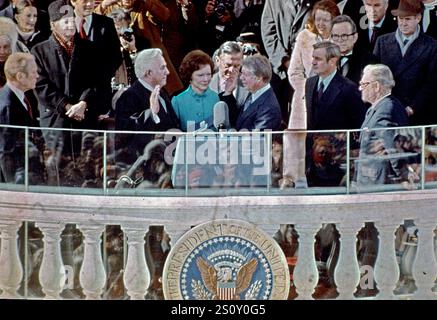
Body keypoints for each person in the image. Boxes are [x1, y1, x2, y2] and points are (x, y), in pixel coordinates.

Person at [95, 0, 183, 95]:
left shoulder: (143, 5)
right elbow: (91, 23)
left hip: (148, 55)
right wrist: (104, 4)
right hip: (120, 65)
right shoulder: (111, 7)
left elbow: (164, 14)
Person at [373, 0, 437, 125]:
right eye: (400, 18)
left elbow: (432, 83)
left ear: (418, 18)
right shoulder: (382, 42)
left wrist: (412, 108)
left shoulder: (431, 45)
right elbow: (374, 77)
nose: (403, 23)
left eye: (407, 19)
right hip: (386, 112)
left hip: (418, 114)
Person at [115, 48, 179, 161]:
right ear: (149, 73)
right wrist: (151, 114)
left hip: (167, 162)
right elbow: (124, 137)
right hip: (144, 168)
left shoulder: (162, 93)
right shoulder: (129, 97)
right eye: (163, 67)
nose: (168, 72)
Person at [356, 64, 409, 186]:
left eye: (363, 84)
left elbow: (393, 148)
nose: (360, 89)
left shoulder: (386, 109)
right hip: (370, 180)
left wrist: (405, 178)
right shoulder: (377, 107)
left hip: (378, 183)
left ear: (376, 86)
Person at [0, 52, 41, 183]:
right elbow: (6, 153)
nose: (37, 76)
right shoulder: (7, 106)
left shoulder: (20, 96)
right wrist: (13, 189)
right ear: (20, 76)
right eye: (34, 72)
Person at [221, 54, 282, 131]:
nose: (241, 77)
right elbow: (238, 120)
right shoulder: (255, 94)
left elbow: (255, 140)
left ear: (259, 78)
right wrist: (228, 92)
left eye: (245, 74)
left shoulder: (269, 108)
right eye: (241, 73)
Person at [261, 0, 318, 79]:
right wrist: (284, 60)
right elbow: (268, 34)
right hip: (281, 72)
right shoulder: (273, 2)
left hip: (309, 69)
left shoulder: (318, 2)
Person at [171, 50, 219, 131]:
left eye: (208, 74)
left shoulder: (215, 97)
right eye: (200, 75)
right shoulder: (178, 101)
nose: (206, 79)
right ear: (190, 75)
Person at [331, 15, 376, 84]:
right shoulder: (326, 58)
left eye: (344, 36)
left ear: (355, 37)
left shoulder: (369, 60)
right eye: (336, 36)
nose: (340, 40)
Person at [209, 40, 249, 112]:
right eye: (228, 65)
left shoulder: (249, 86)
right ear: (218, 60)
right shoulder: (205, 85)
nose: (231, 70)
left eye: (236, 66)